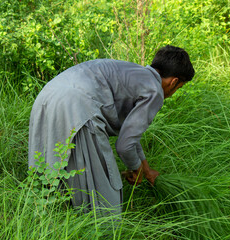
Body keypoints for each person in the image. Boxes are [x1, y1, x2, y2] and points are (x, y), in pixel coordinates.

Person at [28, 45, 195, 214]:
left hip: (46, 97)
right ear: (174, 82)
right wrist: (135, 169)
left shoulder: (133, 73)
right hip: (78, 106)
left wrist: (145, 169)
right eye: (178, 88)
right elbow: (125, 144)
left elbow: (130, 134)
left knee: (51, 173)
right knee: (104, 203)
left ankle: (50, 215)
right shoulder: (155, 91)